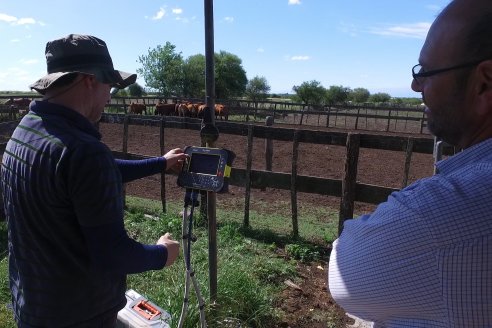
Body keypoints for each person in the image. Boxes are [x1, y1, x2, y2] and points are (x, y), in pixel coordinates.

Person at [1, 34, 187, 327]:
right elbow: (114, 255)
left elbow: (82, 176)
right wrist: (163, 253)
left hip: (33, 303)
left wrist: (160, 163)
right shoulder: (85, 151)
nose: (110, 96)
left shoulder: (29, 129)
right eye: (109, 85)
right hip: (78, 314)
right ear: (89, 80)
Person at [328, 0, 492, 327]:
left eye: (426, 72)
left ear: (484, 83)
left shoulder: (444, 216)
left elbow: (342, 277)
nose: (416, 86)